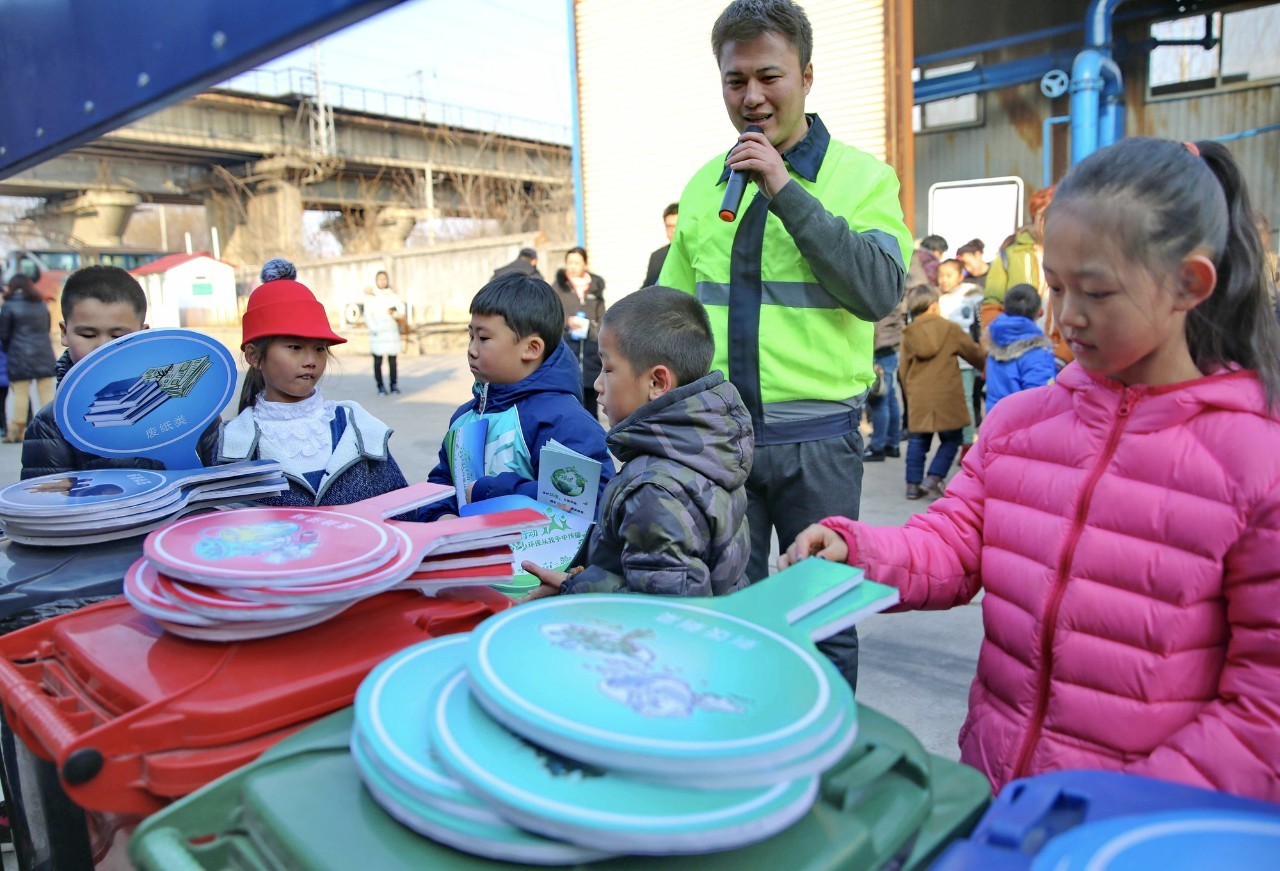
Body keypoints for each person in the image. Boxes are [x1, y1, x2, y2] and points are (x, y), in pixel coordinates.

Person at [782, 137, 1280, 802]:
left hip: (1139, 834)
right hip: (1002, 803)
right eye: (1054, 286)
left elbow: (1263, 713)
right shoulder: (1022, 425)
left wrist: (1115, 813)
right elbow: (953, 544)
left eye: (1095, 292)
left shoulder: (1257, 463)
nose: (1065, 317)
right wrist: (857, 550)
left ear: (1189, 283)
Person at [658, 0, 912, 688]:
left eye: (769, 76)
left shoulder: (863, 179)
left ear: (805, 74)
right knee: (730, 617)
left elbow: (879, 289)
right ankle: (742, 758)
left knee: (818, 619)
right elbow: (672, 319)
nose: (752, 96)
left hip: (818, 446)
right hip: (722, 444)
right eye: (735, 81)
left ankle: (825, 774)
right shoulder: (705, 183)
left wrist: (783, 186)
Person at [522, 287, 753, 598]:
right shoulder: (708, 448)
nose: (597, 384)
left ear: (657, 382)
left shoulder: (654, 491)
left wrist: (573, 589)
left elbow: (663, 613)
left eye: (608, 368)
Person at [211, 259, 409, 508]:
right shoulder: (232, 446)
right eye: (295, 347)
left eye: (319, 348)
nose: (310, 361)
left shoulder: (357, 429)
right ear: (253, 356)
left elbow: (402, 513)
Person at [421, 271, 614, 521]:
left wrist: (489, 492)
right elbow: (442, 481)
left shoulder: (563, 422)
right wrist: (441, 515)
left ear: (531, 348)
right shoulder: (463, 418)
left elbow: (587, 503)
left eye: (484, 338)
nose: (471, 350)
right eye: (471, 336)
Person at [21, 266, 220, 479]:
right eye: (88, 335)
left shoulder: (188, 401)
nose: (102, 348)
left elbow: (221, 485)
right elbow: (49, 507)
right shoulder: (50, 426)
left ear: (144, 335)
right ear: (64, 333)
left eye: (118, 337)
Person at [899, 285, 984, 499]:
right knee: (952, 438)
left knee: (918, 441)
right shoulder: (950, 328)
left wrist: (910, 393)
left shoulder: (909, 334)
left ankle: (912, 485)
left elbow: (903, 369)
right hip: (947, 396)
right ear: (934, 306)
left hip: (920, 396)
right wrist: (986, 367)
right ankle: (934, 477)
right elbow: (972, 353)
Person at [0, 275, 58, 444]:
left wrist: (10, 347)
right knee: (46, 392)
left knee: (20, 393)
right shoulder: (40, 304)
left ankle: (16, 432)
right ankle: (50, 429)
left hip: (19, 355)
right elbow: (46, 327)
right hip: (43, 353)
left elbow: (3, 334)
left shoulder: (9, 306)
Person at [552, 246, 606, 418]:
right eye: (570, 262)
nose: (573, 266)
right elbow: (551, 315)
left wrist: (593, 327)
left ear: (586, 264)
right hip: (568, 352)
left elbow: (603, 317)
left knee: (591, 406)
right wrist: (567, 321)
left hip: (591, 354)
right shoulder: (558, 288)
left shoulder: (595, 289)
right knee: (570, 405)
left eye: (577, 262)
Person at [984, 283, 1056, 412]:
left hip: (994, 420)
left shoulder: (995, 340)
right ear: (1040, 312)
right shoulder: (1038, 352)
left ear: (1004, 308)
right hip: (1023, 425)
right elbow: (1041, 400)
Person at [937, 257, 985, 440]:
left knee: (966, 400)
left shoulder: (973, 295)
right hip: (946, 360)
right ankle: (950, 440)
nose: (944, 279)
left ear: (960, 276)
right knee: (948, 401)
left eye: (949, 275)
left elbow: (980, 325)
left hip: (965, 360)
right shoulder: (939, 299)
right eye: (940, 275)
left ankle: (967, 441)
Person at [862, 298, 905, 462]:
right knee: (890, 397)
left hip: (879, 349)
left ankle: (877, 447)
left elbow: (876, 324)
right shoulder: (893, 287)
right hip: (889, 347)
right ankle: (892, 443)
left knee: (879, 400)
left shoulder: (880, 290)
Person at [364, 270, 403, 395]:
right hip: (378, 332)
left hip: (391, 331)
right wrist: (375, 328)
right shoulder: (371, 297)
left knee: (392, 359)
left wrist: (394, 313)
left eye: (384, 279)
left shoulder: (393, 296)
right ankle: (380, 386)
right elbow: (367, 316)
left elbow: (401, 311)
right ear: (376, 280)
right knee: (378, 360)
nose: (382, 281)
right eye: (380, 279)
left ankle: (393, 384)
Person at [641, 203, 679, 288]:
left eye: (677, 225)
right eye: (669, 226)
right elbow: (647, 289)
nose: (673, 231)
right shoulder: (657, 257)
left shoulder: (699, 254)